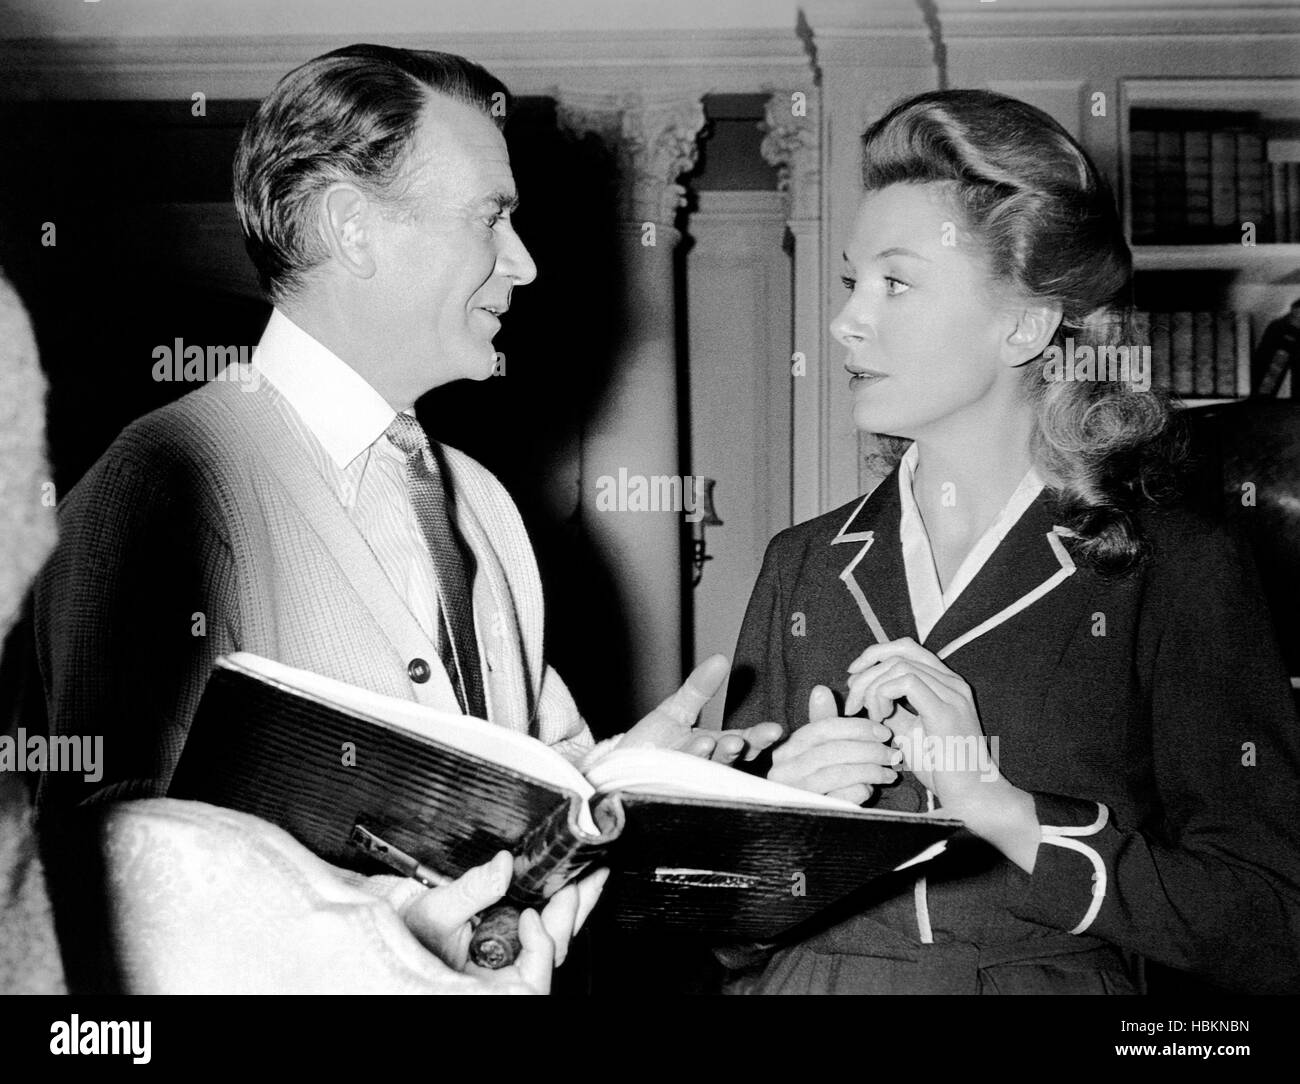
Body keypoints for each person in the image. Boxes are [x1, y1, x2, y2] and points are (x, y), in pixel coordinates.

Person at [31, 44, 779, 993]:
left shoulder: (486, 508)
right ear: (353, 226)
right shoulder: (167, 479)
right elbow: (109, 866)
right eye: (491, 217)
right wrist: (385, 934)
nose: (526, 261)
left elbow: (536, 786)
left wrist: (635, 783)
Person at [722, 89, 1300, 995]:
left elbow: (1270, 922)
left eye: (896, 283)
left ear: (1026, 324)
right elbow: (715, 935)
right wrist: (783, 835)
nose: (847, 321)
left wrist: (1003, 809)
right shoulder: (802, 565)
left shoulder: (1171, 566)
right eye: (851, 282)